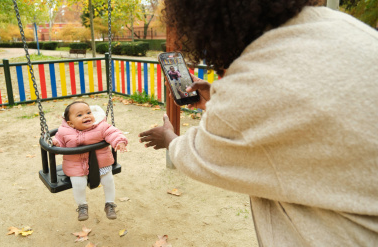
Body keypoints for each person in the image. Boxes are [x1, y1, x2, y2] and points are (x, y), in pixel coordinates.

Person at [139, 0, 378, 246]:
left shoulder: (259, 77)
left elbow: (203, 154)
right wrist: (221, 101)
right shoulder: (343, 28)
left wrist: (169, 139)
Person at [53, 101, 127, 221]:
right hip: (76, 166)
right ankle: (82, 206)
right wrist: (55, 143)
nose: (86, 116)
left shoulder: (101, 126)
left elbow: (113, 133)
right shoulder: (64, 131)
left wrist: (120, 141)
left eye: (88, 112)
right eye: (79, 115)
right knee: (78, 184)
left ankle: (110, 204)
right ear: (70, 123)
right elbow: (59, 142)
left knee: (108, 180)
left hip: (101, 163)